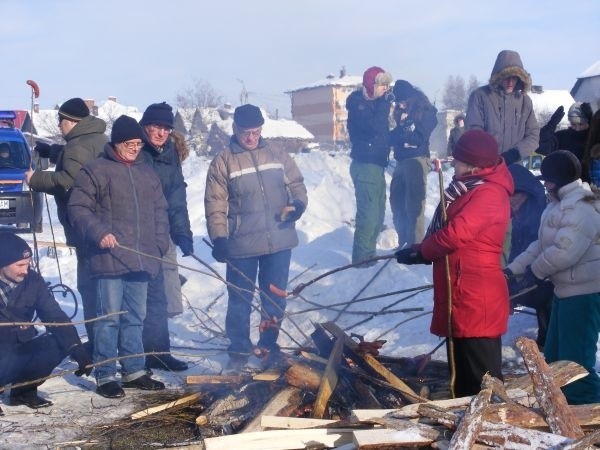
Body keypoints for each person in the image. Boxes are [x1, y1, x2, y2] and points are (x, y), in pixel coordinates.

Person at [395, 130, 514, 397]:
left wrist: (425, 252)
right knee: (461, 375)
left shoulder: (489, 194)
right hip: (463, 290)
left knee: (482, 380)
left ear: (472, 164)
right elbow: (447, 231)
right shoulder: (469, 187)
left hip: (477, 296)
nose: (454, 164)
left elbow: (457, 232)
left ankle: (489, 429)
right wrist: (418, 250)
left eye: (458, 160)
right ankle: (466, 427)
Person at [68, 115, 170, 399]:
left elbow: (161, 212)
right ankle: (106, 374)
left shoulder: (147, 173)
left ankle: (134, 370)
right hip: (109, 259)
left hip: (141, 260)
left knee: (135, 317)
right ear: (116, 142)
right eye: (130, 143)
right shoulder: (95, 170)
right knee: (109, 319)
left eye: (138, 143)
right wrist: (99, 232)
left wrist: (159, 244)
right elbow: (78, 208)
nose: (135, 148)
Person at [204, 104, 307, 369]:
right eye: (245, 132)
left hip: (279, 241)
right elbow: (215, 203)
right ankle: (238, 349)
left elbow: (296, 184)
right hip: (242, 245)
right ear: (235, 129)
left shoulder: (276, 152)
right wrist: (219, 238)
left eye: (255, 131)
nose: (251, 137)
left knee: (274, 298)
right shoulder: (223, 160)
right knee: (240, 299)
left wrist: (298, 205)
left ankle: (267, 345)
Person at [505, 150, 600, 404]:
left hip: (583, 294)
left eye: (548, 180)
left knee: (575, 365)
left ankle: (590, 413)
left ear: (561, 180)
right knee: (557, 357)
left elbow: (564, 252)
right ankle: (564, 406)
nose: (545, 184)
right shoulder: (557, 204)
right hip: (564, 291)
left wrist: (535, 272)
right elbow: (541, 244)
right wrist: (514, 269)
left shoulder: (582, 208)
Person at [25, 98, 108, 350]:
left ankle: (97, 347)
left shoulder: (76, 146)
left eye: (61, 122)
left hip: (86, 227)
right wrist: (53, 151)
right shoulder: (98, 139)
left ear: (71, 122)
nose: (59, 126)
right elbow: (85, 161)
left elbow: (71, 179)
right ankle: (108, 344)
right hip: (105, 223)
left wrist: (36, 178)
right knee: (105, 288)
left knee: (91, 289)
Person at [0, 232, 92, 413]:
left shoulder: (32, 281)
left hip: (17, 350)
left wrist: (76, 349)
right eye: (20, 265)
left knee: (55, 342)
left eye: (28, 264)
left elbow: (55, 316)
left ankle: (23, 391)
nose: (25, 270)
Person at [139, 102, 193, 372]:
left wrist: (183, 232)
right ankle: (136, 356)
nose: (161, 133)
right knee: (140, 296)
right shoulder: (135, 149)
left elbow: (177, 197)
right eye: (157, 127)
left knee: (160, 296)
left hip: (162, 235)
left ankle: (160, 353)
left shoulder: (169, 152)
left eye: (166, 128)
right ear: (146, 126)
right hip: (137, 235)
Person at [346, 66, 393, 265]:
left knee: (379, 212)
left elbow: (383, 132)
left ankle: (369, 253)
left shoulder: (375, 105)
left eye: (386, 85)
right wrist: (384, 104)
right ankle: (362, 259)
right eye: (381, 85)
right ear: (370, 85)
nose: (385, 89)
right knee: (369, 215)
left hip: (377, 165)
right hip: (365, 166)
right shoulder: (359, 105)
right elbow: (373, 128)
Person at [504, 164, 552, 349]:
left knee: (546, 294)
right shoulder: (516, 217)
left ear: (526, 194)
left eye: (515, 195)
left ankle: (546, 342)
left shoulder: (541, 214)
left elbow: (542, 252)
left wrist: (525, 279)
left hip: (547, 276)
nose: (511, 201)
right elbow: (517, 253)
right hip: (526, 272)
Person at [465, 50, 539, 165]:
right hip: (486, 164)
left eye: (514, 77)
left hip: (515, 165)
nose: (510, 82)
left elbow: (533, 135)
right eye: (506, 77)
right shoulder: (481, 96)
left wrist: (515, 153)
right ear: (498, 77)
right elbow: (473, 130)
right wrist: (488, 154)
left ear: (520, 78)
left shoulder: (525, 101)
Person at [389, 80, 438, 246]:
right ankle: (403, 241)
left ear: (412, 99)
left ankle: (415, 244)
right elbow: (397, 136)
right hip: (401, 160)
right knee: (396, 201)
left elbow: (418, 139)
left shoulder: (426, 112)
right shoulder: (402, 113)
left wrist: (403, 128)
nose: (400, 106)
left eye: (403, 102)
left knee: (414, 202)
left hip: (417, 159)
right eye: (398, 103)